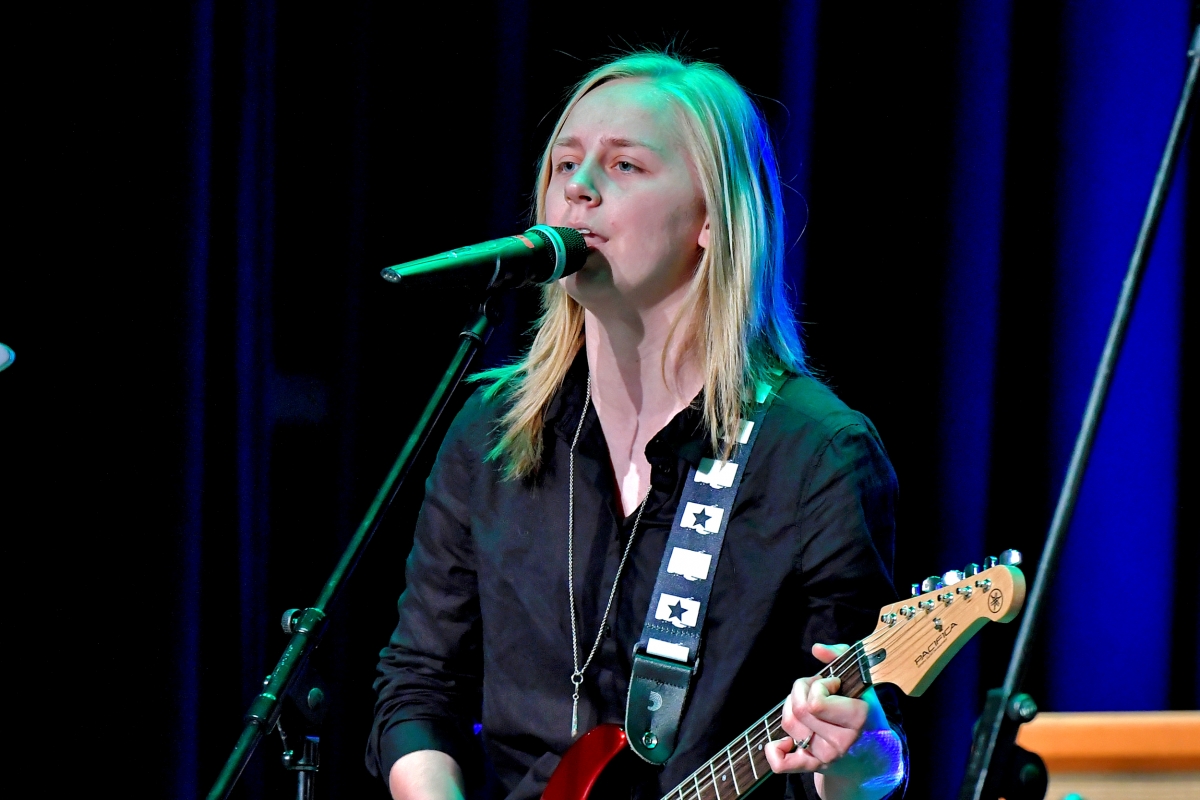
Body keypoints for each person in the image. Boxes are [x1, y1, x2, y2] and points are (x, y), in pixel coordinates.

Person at [367, 51, 907, 800]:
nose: (579, 187)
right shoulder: (492, 430)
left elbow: (857, 759)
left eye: (624, 165)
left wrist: (859, 754)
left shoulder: (815, 456)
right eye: (565, 165)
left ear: (713, 220)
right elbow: (420, 686)